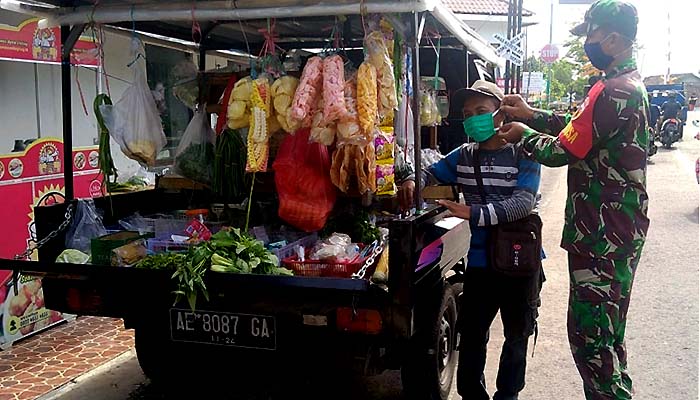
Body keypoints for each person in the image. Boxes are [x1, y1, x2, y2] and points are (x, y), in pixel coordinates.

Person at [495, 1, 649, 399]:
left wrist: (521, 134)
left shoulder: (612, 90)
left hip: (600, 236)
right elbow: (580, 130)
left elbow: (562, 151)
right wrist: (532, 115)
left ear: (613, 38)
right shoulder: (626, 84)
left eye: (592, 35)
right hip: (616, 234)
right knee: (609, 337)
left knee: (592, 343)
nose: (588, 43)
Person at [398, 80, 543, 400]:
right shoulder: (463, 156)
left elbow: (522, 204)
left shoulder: (525, 152)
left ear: (500, 115)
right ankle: (473, 395)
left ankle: (508, 395)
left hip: (520, 260)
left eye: (481, 111)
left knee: (516, 336)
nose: (473, 118)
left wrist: (470, 212)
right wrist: (412, 179)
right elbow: (430, 172)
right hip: (480, 262)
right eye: (467, 113)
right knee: (473, 335)